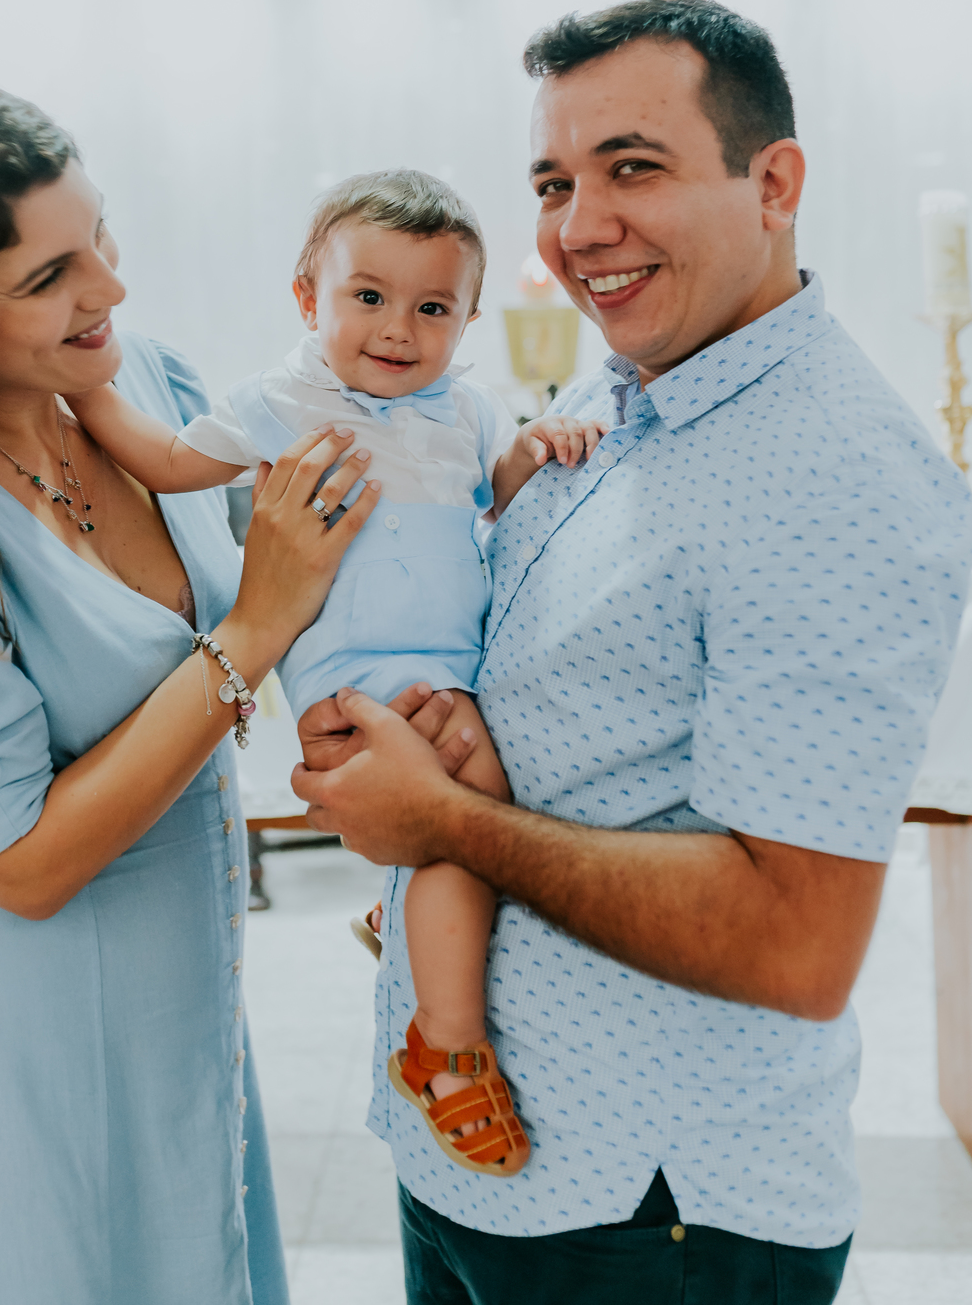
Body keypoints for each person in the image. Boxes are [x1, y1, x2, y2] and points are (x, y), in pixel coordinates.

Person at [291, 0, 972, 1305]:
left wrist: (447, 819)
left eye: (634, 168)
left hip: (650, 1210)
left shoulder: (836, 472)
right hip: (481, 1164)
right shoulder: (617, 387)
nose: (578, 225)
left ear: (773, 182)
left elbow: (796, 940)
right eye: (554, 181)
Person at [0, 67, 382, 1305]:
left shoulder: (141, 376)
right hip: (15, 1040)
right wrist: (255, 629)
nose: (109, 287)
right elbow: (26, 866)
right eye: (49, 278)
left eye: (96, 234)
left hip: (189, 1004)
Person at [67, 169, 605, 1177]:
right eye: (369, 296)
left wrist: (544, 443)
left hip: (455, 675)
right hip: (356, 688)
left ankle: (402, 913)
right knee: (467, 823)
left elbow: (505, 492)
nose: (399, 328)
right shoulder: (281, 403)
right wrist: (84, 386)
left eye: (432, 307)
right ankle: (443, 1047)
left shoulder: (467, 412)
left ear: (467, 319)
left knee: (494, 810)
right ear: (308, 298)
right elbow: (171, 461)